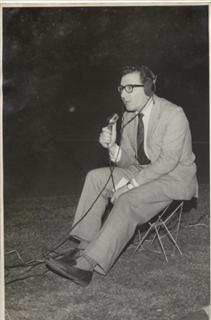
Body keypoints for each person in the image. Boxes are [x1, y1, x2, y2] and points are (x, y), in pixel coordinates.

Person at [46, 65, 197, 286]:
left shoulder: (174, 114)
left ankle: (86, 267)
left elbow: (168, 161)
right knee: (95, 178)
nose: (122, 94)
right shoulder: (128, 116)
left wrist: (131, 185)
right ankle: (84, 247)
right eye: (120, 88)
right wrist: (113, 148)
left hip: (173, 178)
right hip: (144, 172)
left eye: (129, 88)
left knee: (127, 199)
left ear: (147, 87)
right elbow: (129, 161)